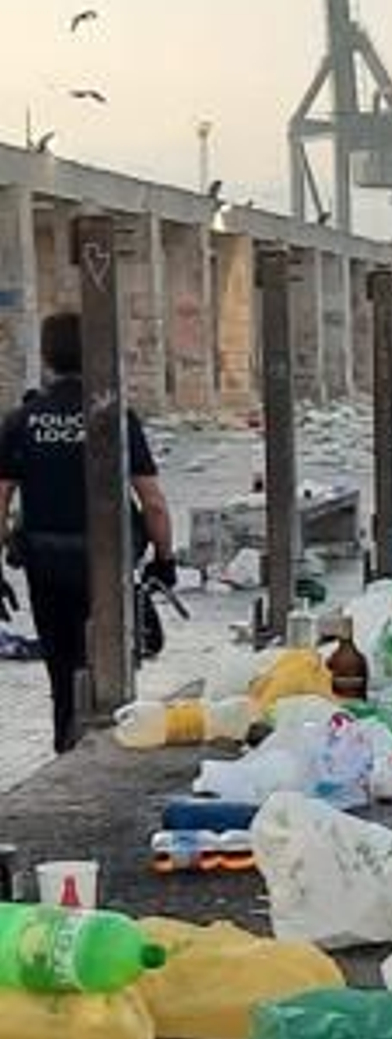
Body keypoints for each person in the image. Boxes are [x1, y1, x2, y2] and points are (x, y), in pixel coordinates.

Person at [0, 309, 175, 753]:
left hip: (45, 562)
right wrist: (165, 559)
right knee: (111, 660)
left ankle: (66, 742)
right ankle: (113, 739)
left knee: (61, 666)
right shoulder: (115, 416)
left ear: (47, 356)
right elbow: (152, 501)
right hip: (109, 564)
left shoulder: (23, 420)